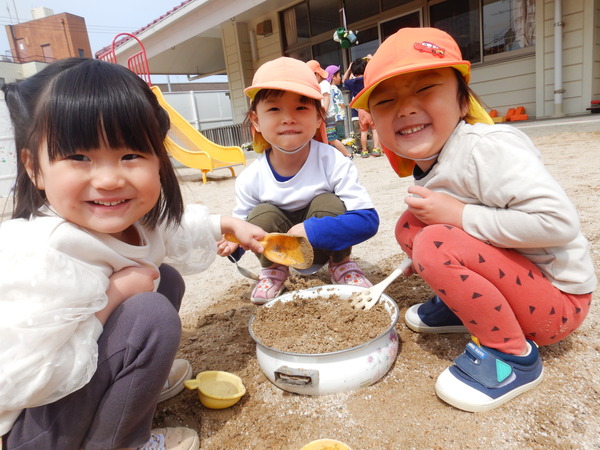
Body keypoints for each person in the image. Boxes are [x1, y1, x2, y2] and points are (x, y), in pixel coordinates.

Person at [0, 58, 266, 449]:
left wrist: (227, 224)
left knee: (164, 279)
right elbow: (21, 378)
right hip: (37, 429)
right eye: (79, 157)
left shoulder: (125, 220)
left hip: (65, 400)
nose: (108, 179)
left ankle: (131, 390)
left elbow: (171, 229)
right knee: (149, 315)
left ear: (158, 159)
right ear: (34, 168)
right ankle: (123, 442)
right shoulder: (43, 253)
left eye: (130, 156)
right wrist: (113, 298)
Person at [351, 27, 596, 412]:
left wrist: (459, 216)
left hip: (557, 304)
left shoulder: (486, 150)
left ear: (463, 102)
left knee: (434, 242)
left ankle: (513, 357)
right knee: (411, 226)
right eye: (385, 101)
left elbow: (557, 223)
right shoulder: (436, 158)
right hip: (518, 283)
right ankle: (465, 306)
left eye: (425, 89)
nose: (405, 108)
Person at [218, 57, 379, 304]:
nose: (288, 118)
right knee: (260, 214)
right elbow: (242, 226)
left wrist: (311, 230)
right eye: (274, 109)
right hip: (279, 252)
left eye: (301, 108)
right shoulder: (251, 177)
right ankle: (273, 271)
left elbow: (368, 220)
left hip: (324, 247)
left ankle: (341, 264)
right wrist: (234, 245)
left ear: (318, 118)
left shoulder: (332, 161)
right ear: (256, 121)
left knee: (329, 202)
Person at [307, 60, 353, 158]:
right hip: (323, 116)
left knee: (331, 138)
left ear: (317, 74)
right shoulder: (319, 85)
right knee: (324, 138)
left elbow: (326, 99)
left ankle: (347, 154)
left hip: (327, 116)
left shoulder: (324, 84)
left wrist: (323, 112)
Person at [343, 57, 382, 158]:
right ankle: (376, 148)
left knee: (363, 131)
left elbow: (344, 80)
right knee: (374, 129)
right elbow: (378, 71)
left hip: (360, 110)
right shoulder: (368, 79)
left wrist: (349, 68)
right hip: (369, 107)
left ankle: (364, 151)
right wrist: (372, 60)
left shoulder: (352, 82)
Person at [325, 65, 348, 147]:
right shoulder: (330, 89)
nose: (340, 77)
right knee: (338, 137)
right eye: (339, 75)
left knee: (335, 137)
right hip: (336, 118)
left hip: (337, 117)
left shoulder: (331, 88)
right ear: (333, 77)